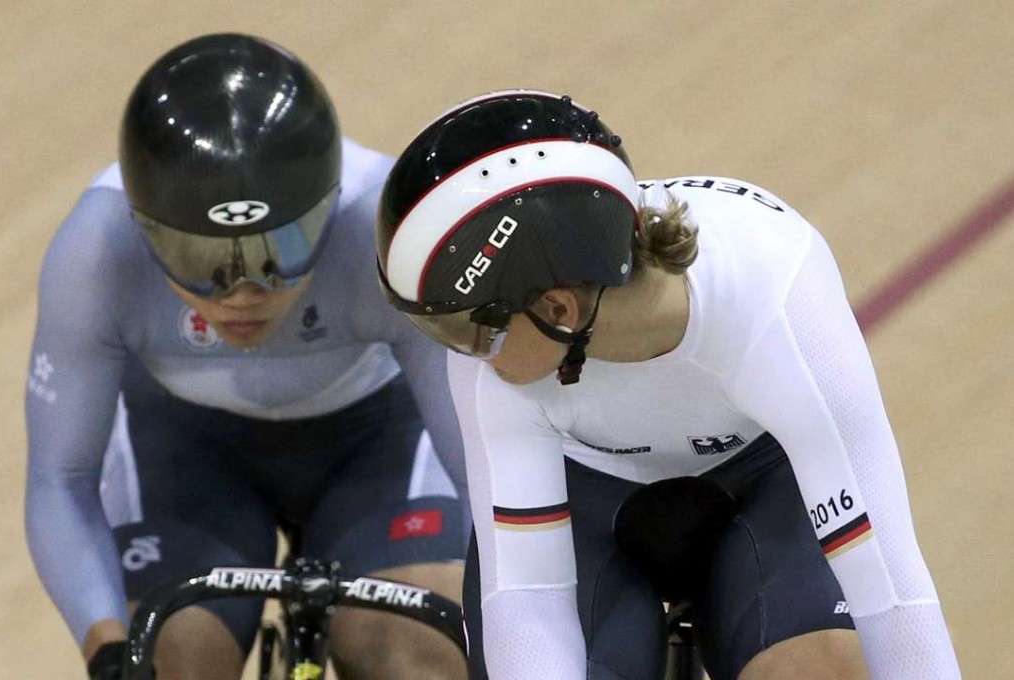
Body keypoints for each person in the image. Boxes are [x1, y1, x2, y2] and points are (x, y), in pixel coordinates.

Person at [375, 90, 963, 679]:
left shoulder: (776, 294)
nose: (462, 353)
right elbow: (527, 599)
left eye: (465, 329)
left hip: (766, 487)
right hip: (582, 510)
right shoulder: (500, 349)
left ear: (557, 309)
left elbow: (891, 590)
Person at [25, 33, 468, 680]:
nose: (242, 294)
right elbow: (60, 481)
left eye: (279, 249)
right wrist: (111, 651)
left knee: (420, 660)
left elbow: (489, 469)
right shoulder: (96, 251)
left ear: (330, 211)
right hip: (185, 452)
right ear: (143, 230)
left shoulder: (384, 230)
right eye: (200, 258)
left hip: (378, 441)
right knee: (166, 664)